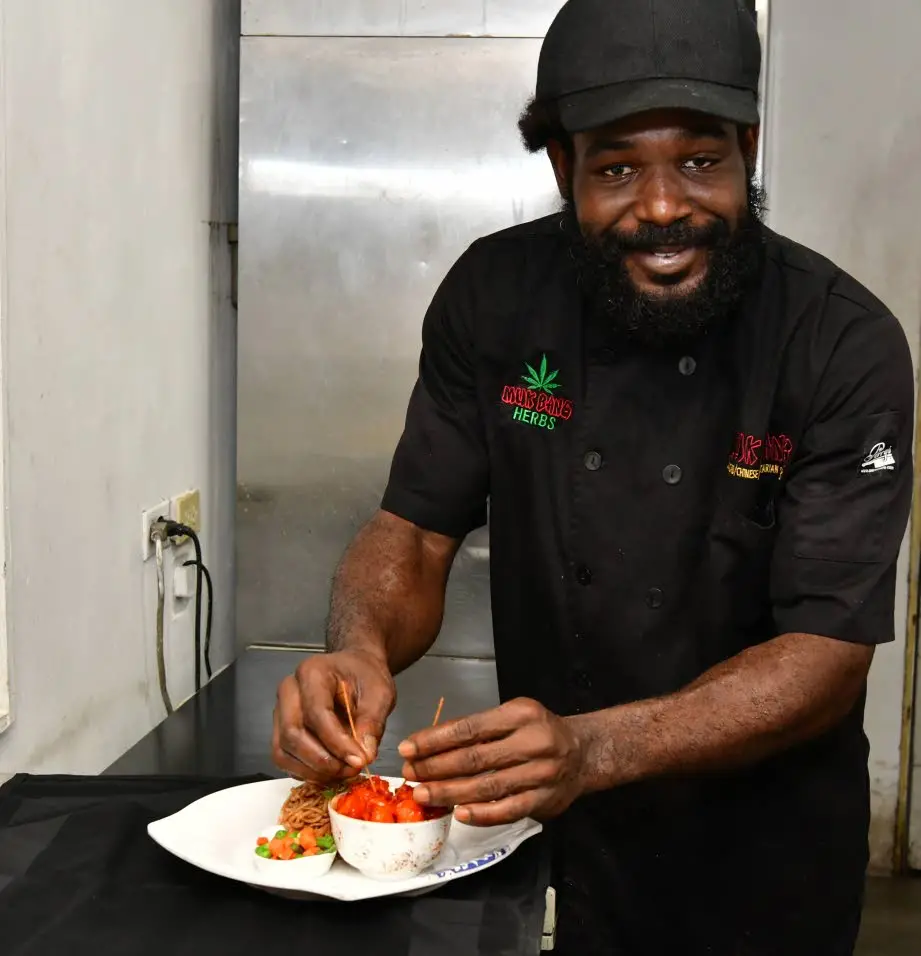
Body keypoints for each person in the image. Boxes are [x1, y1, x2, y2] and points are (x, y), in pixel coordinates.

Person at [272, 0, 914, 952]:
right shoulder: (493, 296)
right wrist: (359, 647)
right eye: (616, 167)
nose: (661, 208)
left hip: (761, 847)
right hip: (551, 826)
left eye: (700, 160)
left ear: (748, 145)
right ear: (563, 167)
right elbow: (411, 530)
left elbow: (825, 653)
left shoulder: (841, 345)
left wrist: (594, 745)